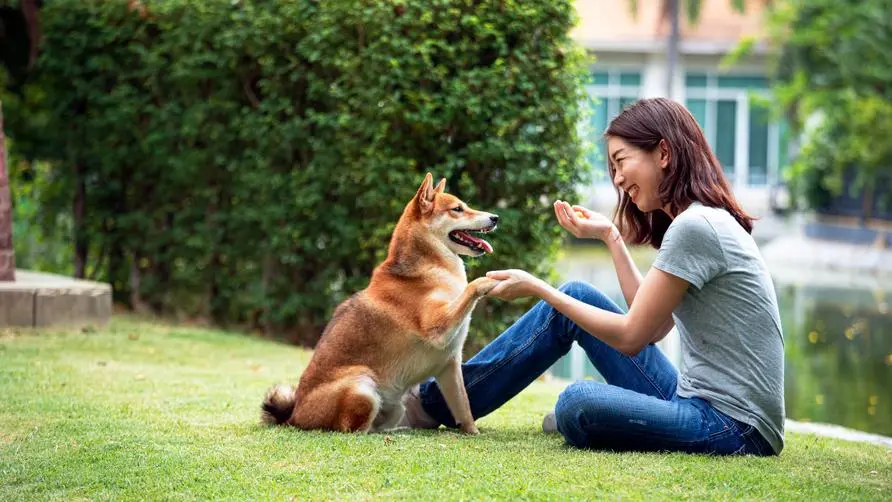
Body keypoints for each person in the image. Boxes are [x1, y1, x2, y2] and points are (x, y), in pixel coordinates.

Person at [400, 98, 784, 456]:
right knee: (577, 298)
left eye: (621, 162)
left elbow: (633, 337)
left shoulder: (695, 226)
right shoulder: (698, 221)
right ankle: (432, 404)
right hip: (696, 401)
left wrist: (538, 288)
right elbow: (654, 326)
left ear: (663, 153)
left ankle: (435, 405)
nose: (617, 179)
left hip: (735, 426)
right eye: (612, 168)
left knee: (577, 401)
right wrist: (609, 236)